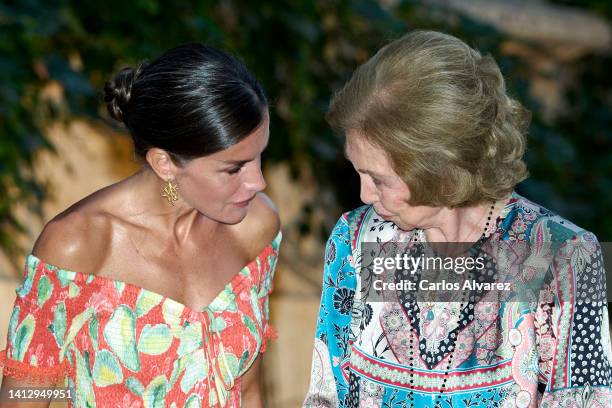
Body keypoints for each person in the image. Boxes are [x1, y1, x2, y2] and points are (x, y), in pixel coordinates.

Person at [304, 30, 611, 407]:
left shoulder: (563, 258)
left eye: (379, 179)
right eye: (358, 172)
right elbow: (327, 397)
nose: (365, 194)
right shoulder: (356, 240)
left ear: (439, 166)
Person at [0, 43, 281, 407]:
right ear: (164, 163)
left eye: (259, 157)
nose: (257, 182)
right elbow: (23, 396)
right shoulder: (78, 247)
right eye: (234, 168)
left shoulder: (256, 227)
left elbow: (248, 390)